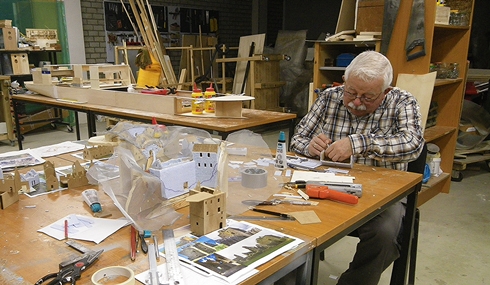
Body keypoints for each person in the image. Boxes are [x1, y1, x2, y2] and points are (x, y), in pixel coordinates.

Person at [290, 50, 425, 285]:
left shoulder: (402, 101)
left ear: (386, 92)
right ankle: (289, 278)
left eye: (367, 97)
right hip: (325, 184)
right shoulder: (329, 97)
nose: (355, 101)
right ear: (344, 81)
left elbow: (412, 145)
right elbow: (297, 138)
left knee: (384, 234)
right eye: (351, 92)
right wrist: (310, 146)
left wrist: (359, 143)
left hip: (382, 192)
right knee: (286, 215)